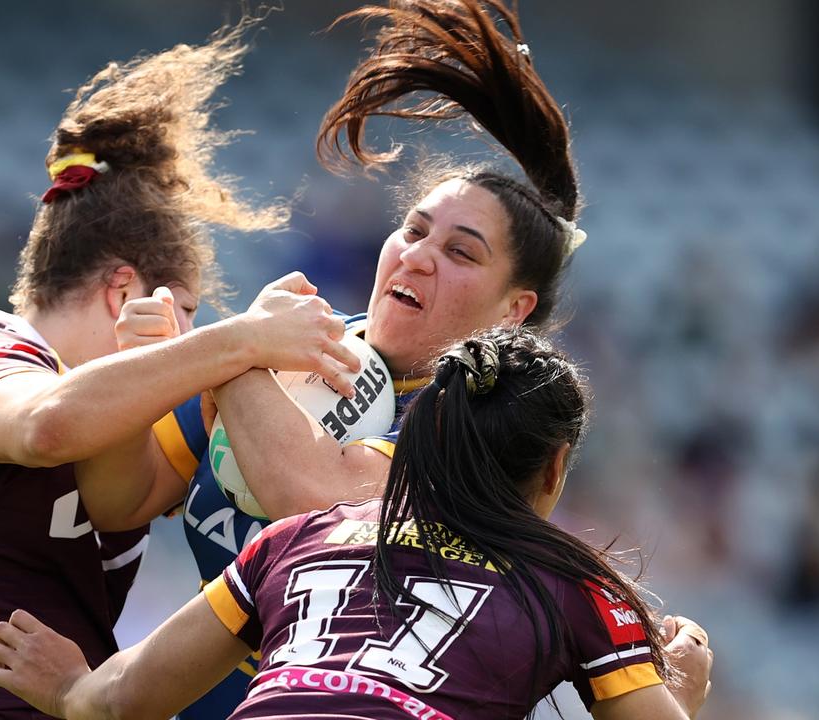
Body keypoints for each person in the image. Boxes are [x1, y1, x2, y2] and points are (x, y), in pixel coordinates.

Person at [118, 2, 611, 714]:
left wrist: (231, 352)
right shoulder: (303, 342)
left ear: (513, 310)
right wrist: (139, 368)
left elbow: (322, 503)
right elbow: (123, 496)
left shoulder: (486, 418)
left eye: (460, 251)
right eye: (413, 229)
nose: (417, 256)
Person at [0, 24, 361, 719]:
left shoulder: (140, 421)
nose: (192, 335)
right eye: (187, 312)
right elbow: (48, 427)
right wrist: (243, 339)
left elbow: (159, 492)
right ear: (123, 292)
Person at [0, 328, 715, 719]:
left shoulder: (300, 536)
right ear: (554, 469)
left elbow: (123, 698)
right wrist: (681, 693)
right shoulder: (572, 582)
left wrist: (66, 689)